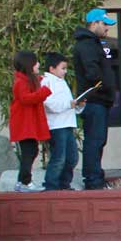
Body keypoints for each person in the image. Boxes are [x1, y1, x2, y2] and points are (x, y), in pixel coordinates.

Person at [72, 8, 121, 190]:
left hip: (98, 100)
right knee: (94, 140)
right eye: (105, 24)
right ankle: (93, 180)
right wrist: (105, 86)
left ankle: (96, 177)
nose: (107, 28)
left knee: (98, 140)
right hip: (94, 100)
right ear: (94, 24)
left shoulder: (92, 43)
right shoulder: (86, 45)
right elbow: (92, 72)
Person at [8, 50, 51, 192]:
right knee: (29, 151)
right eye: (35, 62)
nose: (38, 64)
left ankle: (23, 181)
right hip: (23, 124)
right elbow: (26, 98)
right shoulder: (20, 82)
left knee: (31, 151)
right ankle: (24, 182)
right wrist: (44, 91)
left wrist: (39, 82)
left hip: (28, 124)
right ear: (28, 65)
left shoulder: (27, 80)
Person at [41, 52, 81, 192]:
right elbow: (49, 104)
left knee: (72, 157)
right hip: (56, 126)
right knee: (59, 158)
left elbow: (67, 104)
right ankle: (51, 185)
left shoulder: (62, 82)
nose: (65, 71)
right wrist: (69, 104)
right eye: (63, 68)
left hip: (67, 124)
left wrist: (78, 105)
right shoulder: (46, 81)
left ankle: (64, 184)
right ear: (52, 69)